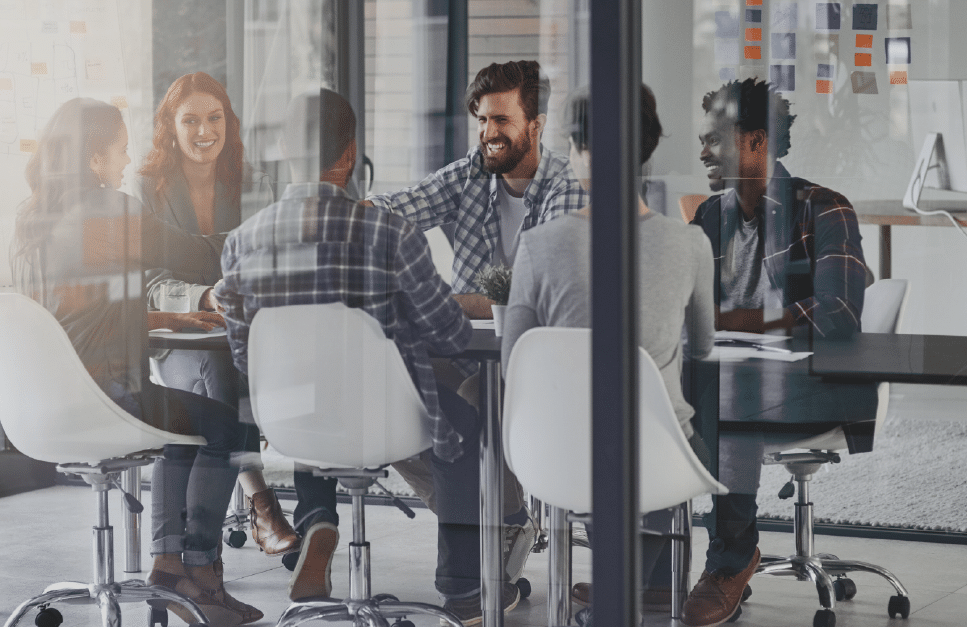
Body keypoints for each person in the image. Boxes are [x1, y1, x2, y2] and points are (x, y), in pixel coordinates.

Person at [215, 89, 521, 624]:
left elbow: (244, 356)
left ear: (285, 150)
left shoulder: (243, 242)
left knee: (336, 402)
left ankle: (318, 523)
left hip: (292, 422)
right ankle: (464, 594)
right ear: (351, 153)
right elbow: (450, 335)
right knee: (466, 423)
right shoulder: (390, 233)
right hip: (386, 419)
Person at [10, 97, 263, 627]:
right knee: (231, 425)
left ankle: (171, 565)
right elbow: (194, 255)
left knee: (183, 422)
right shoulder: (110, 209)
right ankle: (196, 573)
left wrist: (149, 320)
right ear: (94, 158)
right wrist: (266, 235)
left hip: (44, 405)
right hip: (108, 396)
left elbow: (69, 312)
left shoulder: (30, 219)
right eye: (120, 151)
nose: (125, 163)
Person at [500, 85, 716, 623]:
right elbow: (705, 346)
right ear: (647, 151)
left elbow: (514, 364)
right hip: (657, 459)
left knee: (601, 444)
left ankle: (619, 589)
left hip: (557, 456)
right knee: (683, 432)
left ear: (577, 149)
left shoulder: (537, 246)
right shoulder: (690, 244)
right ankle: (640, 586)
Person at [366, 59, 586, 576]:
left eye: (501, 121)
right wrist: (356, 210)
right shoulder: (473, 172)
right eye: (482, 120)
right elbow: (404, 206)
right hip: (469, 351)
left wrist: (442, 300)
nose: (489, 133)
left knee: (470, 405)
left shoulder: (564, 187)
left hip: (541, 364)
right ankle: (501, 518)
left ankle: (479, 543)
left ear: (535, 125)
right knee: (390, 392)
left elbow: (536, 298)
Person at [682, 78, 869, 627]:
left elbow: (838, 313)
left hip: (810, 386)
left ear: (756, 142)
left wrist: (738, 320)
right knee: (651, 384)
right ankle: (648, 563)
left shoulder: (824, 209)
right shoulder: (708, 220)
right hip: (724, 380)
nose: (702, 152)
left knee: (723, 385)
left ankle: (730, 561)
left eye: (715, 139)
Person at [137, 72, 299, 559]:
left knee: (234, 370)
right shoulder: (147, 188)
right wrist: (206, 294)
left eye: (214, 118)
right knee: (220, 376)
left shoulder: (255, 183)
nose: (204, 131)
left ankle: (184, 557)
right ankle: (260, 503)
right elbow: (145, 280)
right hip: (180, 338)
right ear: (169, 126)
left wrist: (238, 281)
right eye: (190, 120)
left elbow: (271, 260)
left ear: (229, 122)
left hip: (250, 332)